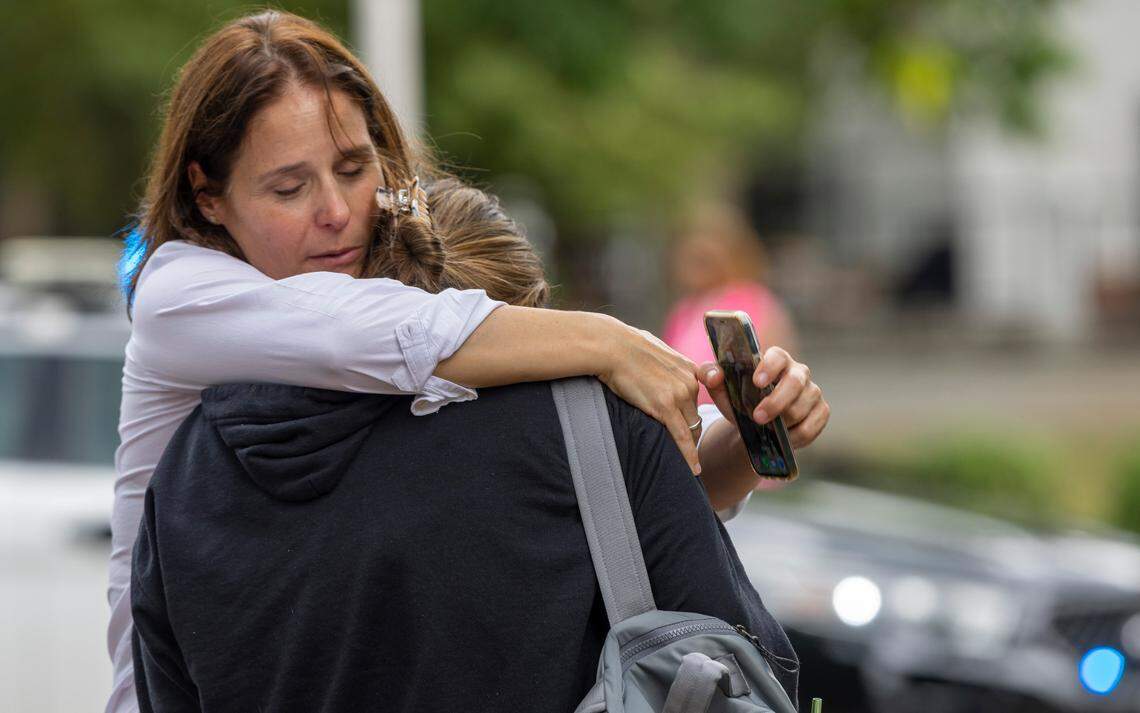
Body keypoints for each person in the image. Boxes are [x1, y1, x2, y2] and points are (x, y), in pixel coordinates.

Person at [108, 10, 829, 712]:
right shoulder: (178, 294)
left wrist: (743, 441)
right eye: (289, 188)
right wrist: (604, 344)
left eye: (356, 168)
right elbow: (389, 335)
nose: (334, 211)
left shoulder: (197, 474)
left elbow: (618, 501)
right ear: (206, 196)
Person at [663, 203, 798, 405]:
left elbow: (780, 372)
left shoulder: (755, 302)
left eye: (711, 240)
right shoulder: (682, 311)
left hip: (736, 423)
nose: (699, 247)